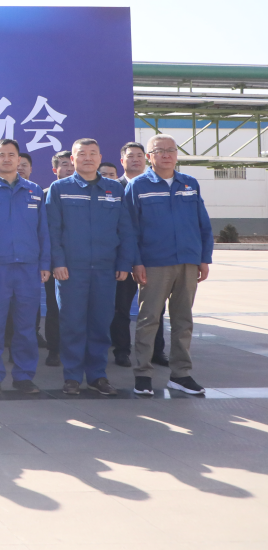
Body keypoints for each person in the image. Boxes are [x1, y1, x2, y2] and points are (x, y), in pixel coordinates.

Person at [46, 138, 135, 396]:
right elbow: (52, 230)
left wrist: (124, 262)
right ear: (72, 159)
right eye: (81, 154)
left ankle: (97, 375)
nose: (87, 158)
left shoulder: (114, 189)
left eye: (93, 153)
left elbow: (125, 229)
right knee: (72, 324)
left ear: (100, 158)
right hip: (71, 270)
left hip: (106, 269)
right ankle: (72, 376)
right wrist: (58, 263)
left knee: (100, 323)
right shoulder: (60, 188)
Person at [125, 134, 211, 397]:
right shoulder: (138, 186)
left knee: (183, 319)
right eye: (159, 150)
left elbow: (203, 223)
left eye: (171, 150)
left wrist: (204, 258)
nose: (166, 154)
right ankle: (143, 375)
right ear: (149, 157)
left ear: (176, 154)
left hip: (187, 261)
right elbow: (129, 228)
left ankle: (181, 374)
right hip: (154, 262)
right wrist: (136, 261)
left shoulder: (190, 184)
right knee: (149, 319)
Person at [0, 138, 51, 394]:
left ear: (19, 159)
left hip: (29, 268)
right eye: (1, 155)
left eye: (11, 155)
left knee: (26, 328)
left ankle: (23, 377)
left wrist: (45, 263)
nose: (6, 159)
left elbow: (43, 231)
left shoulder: (34, 190)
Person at [113, 142, 167, 367]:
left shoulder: (156, 185)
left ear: (145, 159)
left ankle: (156, 351)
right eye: (130, 156)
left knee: (155, 308)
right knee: (121, 308)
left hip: (151, 257)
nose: (135, 159)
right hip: (123, 258)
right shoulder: (114, 188)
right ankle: (121, 351)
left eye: (139, 156)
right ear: (122, 161)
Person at [39, 149, 76, 365]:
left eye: (71, 163)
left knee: (79, 309)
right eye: (64, 164)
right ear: (55, 169)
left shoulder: (87, 191)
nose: (69, 168)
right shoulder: (45, 194)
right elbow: (44, 231)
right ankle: (54, 350)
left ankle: (76, 350)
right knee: (54, 307)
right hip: (54, 261)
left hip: (80, 260)